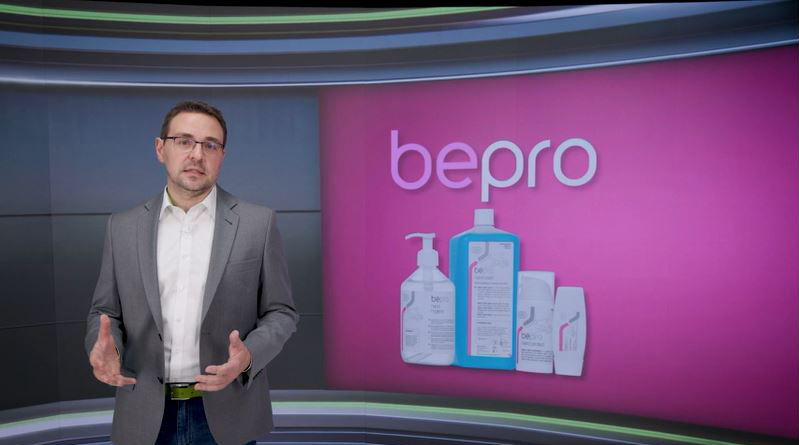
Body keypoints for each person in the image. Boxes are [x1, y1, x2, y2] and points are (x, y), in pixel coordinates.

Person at [85, 100, 299, 445]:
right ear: (160, 149)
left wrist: (248, 357)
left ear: (222, 156)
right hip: (145, 416)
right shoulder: (122, 227)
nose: (197, 154)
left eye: (210, 145)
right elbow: (105, 311)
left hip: (228, 415)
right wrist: (107, 350)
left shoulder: (258, 224)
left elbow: (281, 312)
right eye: (184, 141)